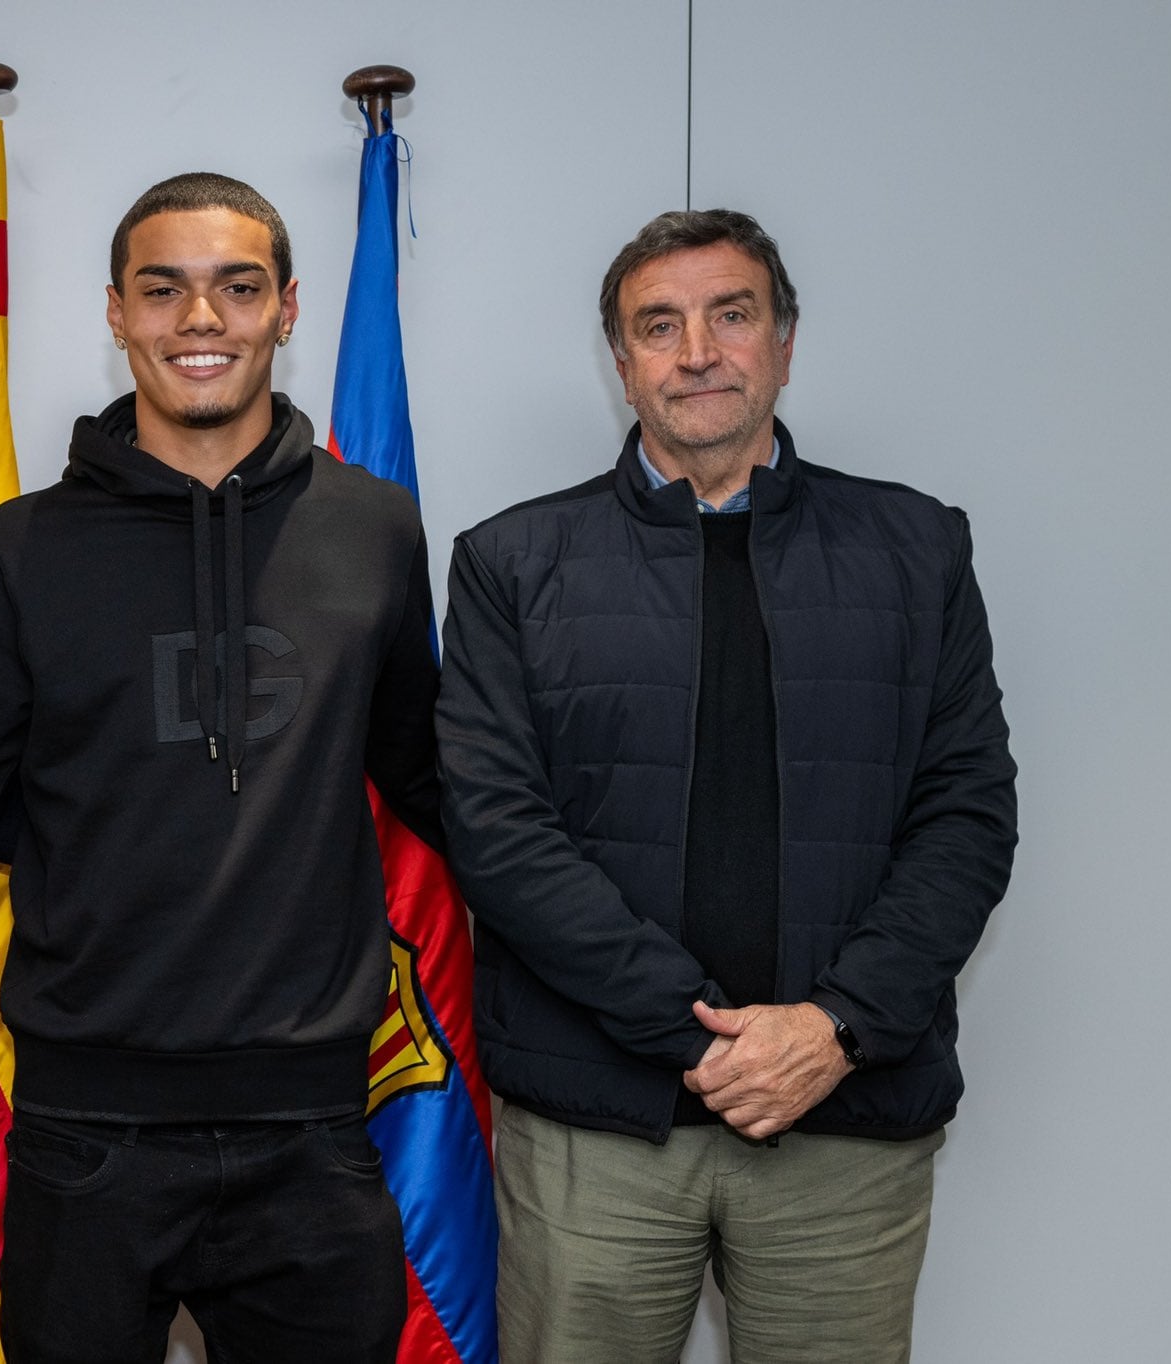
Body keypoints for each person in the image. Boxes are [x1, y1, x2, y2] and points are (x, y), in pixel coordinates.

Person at [436, 208, 1017, 1363]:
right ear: (621, 364)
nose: (695, 349)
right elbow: (496, 832)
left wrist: (832, 1026)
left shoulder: (915, 548)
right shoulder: (509, 562)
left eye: (729, 314)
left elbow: (965, 815)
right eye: (658, 324)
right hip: (595, 1127)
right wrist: (693, 1036)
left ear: (784, 342)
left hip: (841, 1119)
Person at [0, 172, 439, 1363]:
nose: (198, 319)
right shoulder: (18, 550)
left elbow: (428, 774)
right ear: (114, 311)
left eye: (235, 287)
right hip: (85, 1129)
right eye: (162, 290)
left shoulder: (374, 530)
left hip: (312, 1125)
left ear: (288, 308)